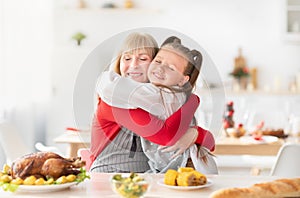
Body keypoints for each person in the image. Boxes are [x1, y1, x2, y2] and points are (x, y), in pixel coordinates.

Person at [96, 35, 217, 173]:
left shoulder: (161, 98)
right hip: (110, 177)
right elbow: (166, 136)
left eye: (143, 59)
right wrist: (193, 102)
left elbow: (211, 143)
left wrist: (195, 133)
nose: (134, 65)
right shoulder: (113, 103)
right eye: (127, 58)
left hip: (145, 180)